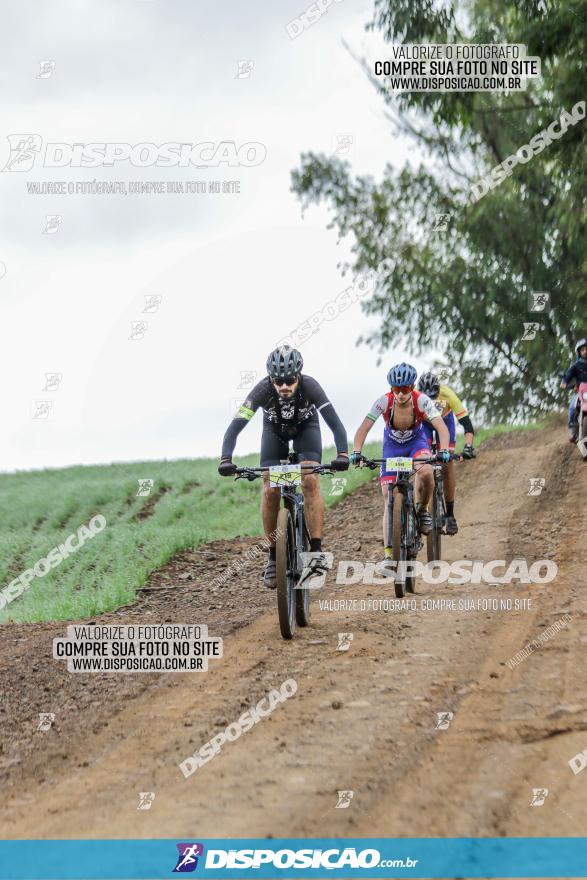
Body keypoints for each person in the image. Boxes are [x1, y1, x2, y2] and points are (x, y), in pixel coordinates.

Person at [218, 345, 349, 587]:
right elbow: (235, 425)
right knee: (269, 489)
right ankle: (272, 557)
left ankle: (316, 550)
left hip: (306, 430)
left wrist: (343, 453)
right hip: (274, 434)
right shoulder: (261, 391)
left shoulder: (311, 386)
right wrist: (226, 458)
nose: (285, 386)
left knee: (309, 479)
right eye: (279, 381)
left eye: (290, 380)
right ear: (271, 379)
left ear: (298, 377)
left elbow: (336, 424)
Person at [350, 362, 450, 570]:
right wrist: (357, 452)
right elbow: (364, 427)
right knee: (388, 496)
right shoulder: (383, 402)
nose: (401, 394)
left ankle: (422, 509)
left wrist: (444, 449)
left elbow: (440, 425)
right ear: (391, 389)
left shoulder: (421, 400)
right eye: (397, 389)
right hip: (392, 447)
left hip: (416, 443)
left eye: (405, 389)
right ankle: (388, 555)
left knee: (427, 471)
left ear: (412, 387)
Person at [416, 371, 476, 535]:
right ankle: (420, 509)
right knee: (421, 461)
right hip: (426, 424)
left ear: (438, 390)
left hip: (445, 421)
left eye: (434, 397)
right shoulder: (414, 394)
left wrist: (468, 446)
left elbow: (467, 425)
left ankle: (449, 515)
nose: (431, 401)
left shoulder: (449, 395)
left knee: (447, 465)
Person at [561, 338, 587, 442]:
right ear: (579, 352)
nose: (585, 351)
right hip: (582, 392)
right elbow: (567, 376)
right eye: (583, 350)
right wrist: (565, 382)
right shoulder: (576, 366)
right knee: (572, 407)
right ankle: (572, 430)